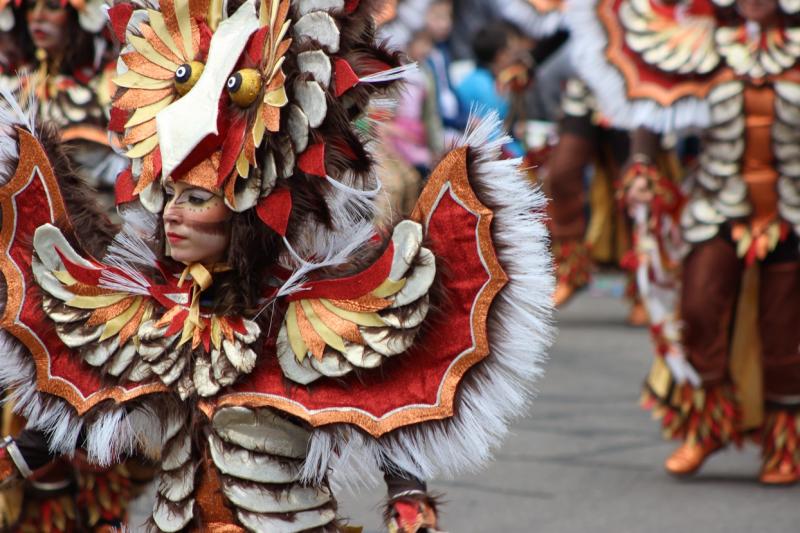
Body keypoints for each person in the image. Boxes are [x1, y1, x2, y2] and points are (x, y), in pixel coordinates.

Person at [0, 2, 554, 533]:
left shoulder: (309, 314)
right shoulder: (154, 312)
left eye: (196, 200)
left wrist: (408, 498)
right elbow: (87, 401)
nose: (172, 214)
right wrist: (15, 460)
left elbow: (384, 402)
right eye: (170, 195)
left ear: (246, 215)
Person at [571, 0, 800, 484]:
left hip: (792, 213)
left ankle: (784, 445)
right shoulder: (703, 41)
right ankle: (709, 425)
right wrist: (641, 165)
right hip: (716, 205)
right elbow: (650, 106)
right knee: (696, 312)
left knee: (786, 335)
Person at [455, 21, 526, 157]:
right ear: (501, 55)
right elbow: (491, 137)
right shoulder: (482, 85)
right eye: (511, 51)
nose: (516, 56)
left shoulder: (494, 81)